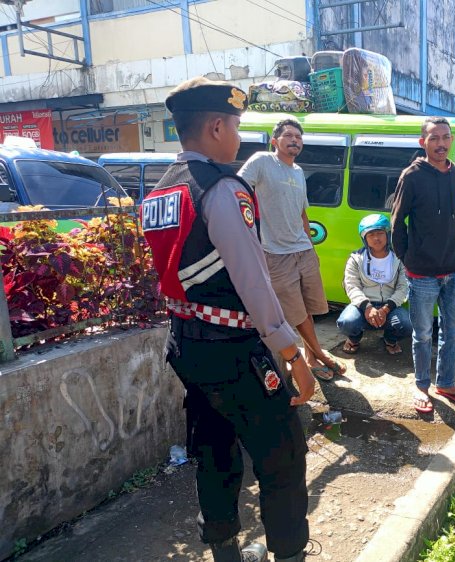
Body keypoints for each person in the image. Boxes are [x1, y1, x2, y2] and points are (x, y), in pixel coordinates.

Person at [140, 76, 315, 562]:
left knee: (214, 450)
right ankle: (289, 552)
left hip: (186, 344)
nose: (240, 137)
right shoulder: (221, 190)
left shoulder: (159, 192)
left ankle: (223, 549)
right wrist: (290, 351)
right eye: (237, 125)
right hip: (234, 349)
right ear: (216, 126)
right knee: (282, 455)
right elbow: (253, 280)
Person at [239, 119, 347, 383]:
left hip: (303, 250)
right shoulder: (262, 161)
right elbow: (237, 189)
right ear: (275, 141)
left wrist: (311, 248)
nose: (295, 140)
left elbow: (302, 213)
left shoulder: (299, 172)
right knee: (294, 311)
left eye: (299, 137)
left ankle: (311, 359)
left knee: (308, 307)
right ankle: (320, 354)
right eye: (289, 135)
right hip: (275, 253)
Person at [391, 116, 455, 414]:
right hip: (422, 273)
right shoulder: (411, 176)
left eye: (445, 137)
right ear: (423, 142)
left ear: (451, 140)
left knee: (454, 330)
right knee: (423, 334)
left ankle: (447, 383)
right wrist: (408, 258)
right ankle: (421, 386)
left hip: (454, 269)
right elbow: (397, 223)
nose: (441, 144)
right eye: (434, 138)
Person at [336, 213, 412, 355]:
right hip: (363, 305)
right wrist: (367, 307)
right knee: (347, 322)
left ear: (387, 234)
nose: (376, 238)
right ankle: (354, 339)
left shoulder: (399, 258)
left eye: (380, 233)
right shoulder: (356, 258)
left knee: (407, 324)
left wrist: (385, 309)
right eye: (371, 235)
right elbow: (351, 286)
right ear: (364, 238)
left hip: (390, 306)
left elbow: (404, 287)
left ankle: (390, 340)